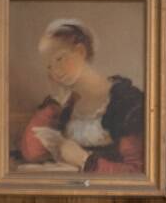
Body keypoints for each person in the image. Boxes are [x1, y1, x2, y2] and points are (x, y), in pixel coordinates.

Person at [17, 18, 146, 177]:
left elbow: (136, 172)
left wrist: (85, 160)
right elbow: (32, 152)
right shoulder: (68, 105)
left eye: (59, 59)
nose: (55, 71)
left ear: (80, 52)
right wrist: (54, 104)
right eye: (49, 66)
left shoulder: (126, 101)